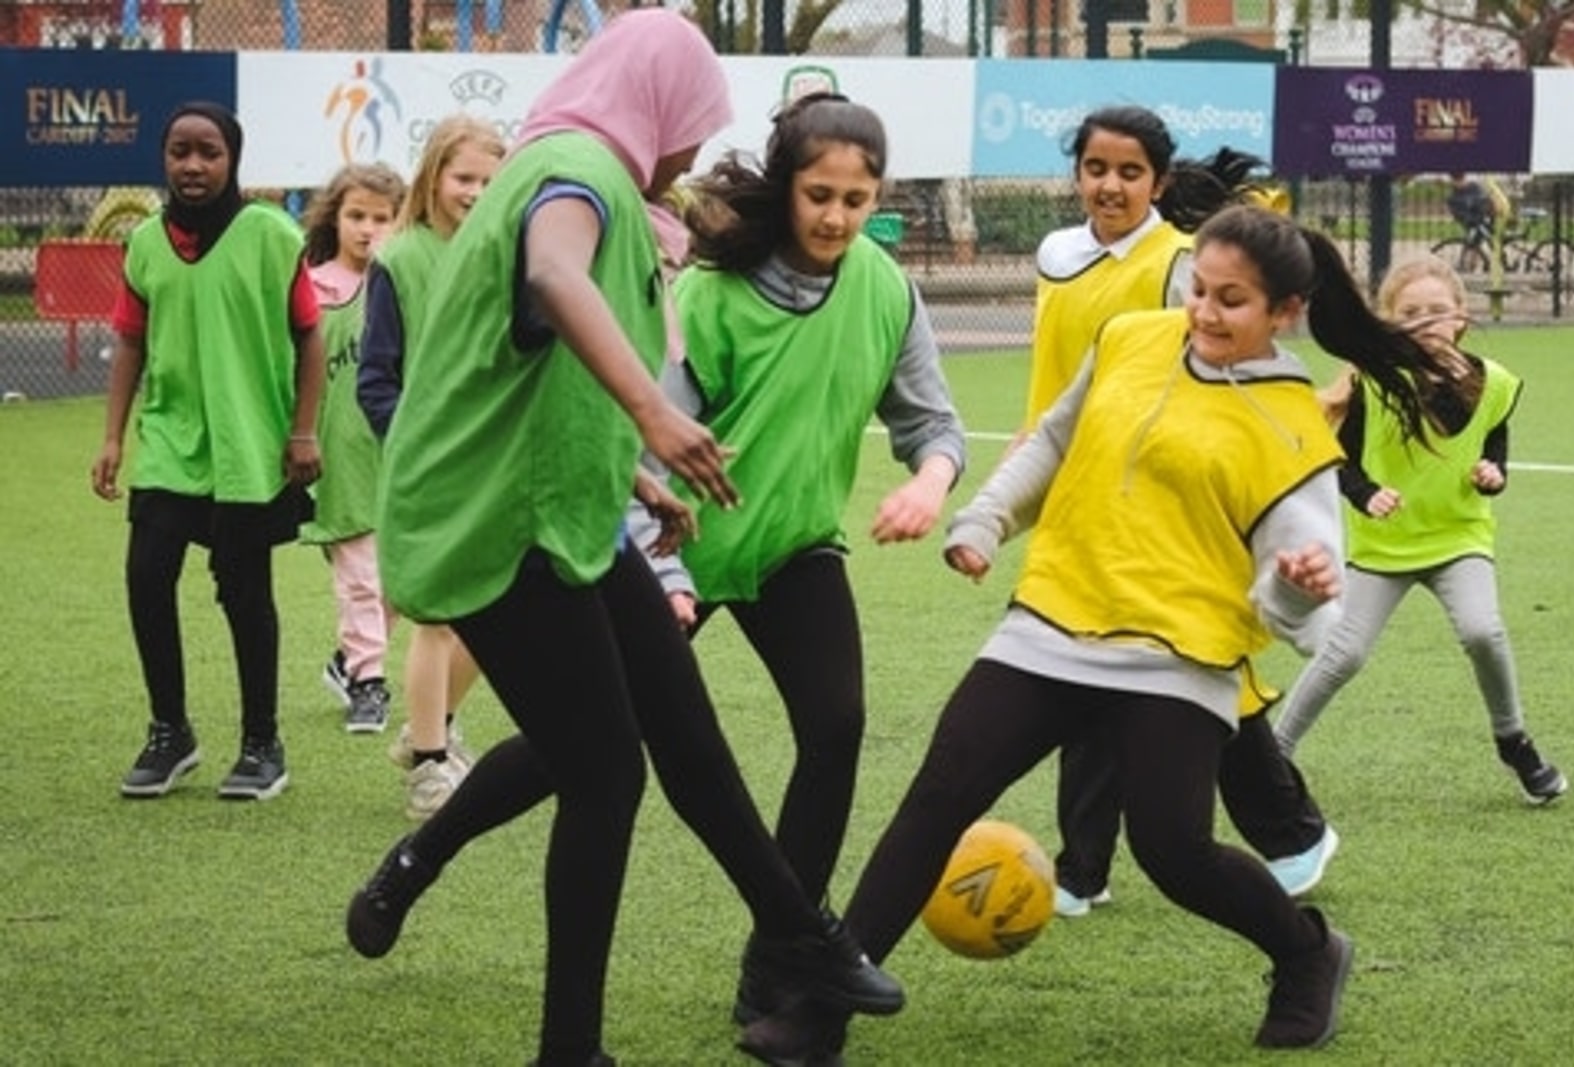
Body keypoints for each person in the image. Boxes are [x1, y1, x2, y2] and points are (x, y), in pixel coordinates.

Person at [738, 204, 1441, 1064]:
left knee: (1172, 852)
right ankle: (821, 1011)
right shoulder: (1131, 337)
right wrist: (988, 518)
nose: (1205, 313)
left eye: (1233, 301)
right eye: (1199, 290)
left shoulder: (1293, 430)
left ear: (1284, 313)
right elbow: (1056, 440)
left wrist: (1294, 592)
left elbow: (1307, 619)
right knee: (938, 795)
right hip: (1053, 617)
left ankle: (1306, 951)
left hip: (1174, 658)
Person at [339, 15, 900, 1065]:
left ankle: (797, 932)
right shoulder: (576, 168)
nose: (692, 149)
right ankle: (572, 1047)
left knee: (677, 730)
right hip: (496, 525)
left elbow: (528, 369)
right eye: (696, 122)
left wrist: (636, 472)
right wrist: (654, 415)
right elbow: (556, 276)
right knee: (603, 772)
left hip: (561, 505)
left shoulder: (577, 166)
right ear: (659, 100)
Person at [642, 93, 965, 1022]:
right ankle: (422, 854)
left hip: (793, 548)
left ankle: (779, 959)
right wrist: (661, 572)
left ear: (878, 200)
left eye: (856, 200)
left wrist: (929, 484)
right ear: (787, 189)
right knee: (575, 749)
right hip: (679, 552)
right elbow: (645, 446)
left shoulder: (885, 287)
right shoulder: (708, 294)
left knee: (836, 725)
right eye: (819, 194)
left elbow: (933, 422)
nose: (835, 216)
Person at [1026, 104, 1338, 919]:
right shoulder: (1055, 254)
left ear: (1159, 183)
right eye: (1096, 169)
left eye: (1130, 172)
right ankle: (1286, 833)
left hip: (1165, 499)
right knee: (1122, 672)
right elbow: (1062, 383)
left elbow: (1222, 362)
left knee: (1151, 670)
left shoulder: (1178, 265)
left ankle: (1086, 867)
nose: (1110, 185)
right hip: (1079, 488)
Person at [1272, 256, 1568, 805]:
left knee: (1483, 631)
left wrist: (1493, 474)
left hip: (1459, 539)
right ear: (1388, 320)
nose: (1426, 321)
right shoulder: (1374, 384)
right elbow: (1340, 459)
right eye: (1410, 312)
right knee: (1344, 654)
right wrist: (1367, 494)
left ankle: (1513, 740)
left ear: (1460, 316)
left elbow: (1494, 443)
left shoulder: (1495, 384)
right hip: (1384, 548)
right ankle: (1274, 755)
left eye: (1437, 311)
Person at [93, 102, 325, 802]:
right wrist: (111, 436)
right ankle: (171, 731)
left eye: (209, 152)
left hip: (247, 445)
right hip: (171, 441)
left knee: (246, 592)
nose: (193, 165)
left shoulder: (269, 235)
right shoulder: (144, 246)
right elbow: (131, 342)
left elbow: (310, 336)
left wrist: (303, 429)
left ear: (233, 159)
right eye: (179, 151)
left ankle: (263, 743)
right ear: (164, 158)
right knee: (146, 574)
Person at [356, 114, 506, 819]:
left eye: (489, 179)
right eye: (464, 177)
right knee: (438, 620)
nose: (476, 192)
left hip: (494, 463)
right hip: (427, 470)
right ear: (433, 176)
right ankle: (428, 768)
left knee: (493, 614)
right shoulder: (400, 258)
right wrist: (418, 448)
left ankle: (429, 730)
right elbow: (375, 381)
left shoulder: (506, 250)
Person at [300, 162, 404, 734]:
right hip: (338, 456)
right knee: (362, 576)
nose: (369, 229)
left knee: (407, 578)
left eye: (382, 218)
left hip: (397, 450)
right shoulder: (312, 288)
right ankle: (368, 682)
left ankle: (348, 661)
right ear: (334, 219)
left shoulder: (405, 284)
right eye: (356, 216)